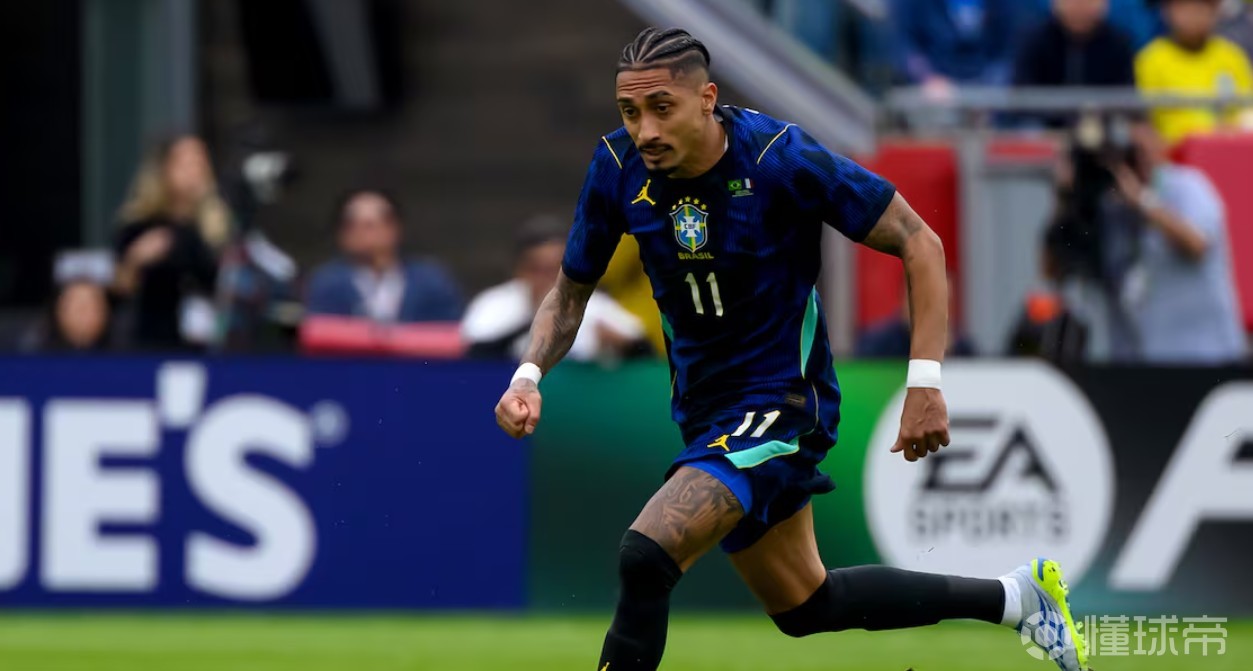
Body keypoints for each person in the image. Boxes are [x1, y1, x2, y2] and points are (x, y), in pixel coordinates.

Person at [493, 27, 1088, 671]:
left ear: (707, 99)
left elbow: (920, 241)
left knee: (647, 554)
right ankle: (1018, 599)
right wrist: (528, 375)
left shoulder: (780, 157)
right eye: (630, 112)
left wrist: (925, 381)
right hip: (704, 410)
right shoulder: (616, 166)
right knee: (806, 604)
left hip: (783, 400)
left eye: (662, 108)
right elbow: (569, 294)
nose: (645, 131)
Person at [1105, 122, 1247, 363]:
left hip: (1210, 352)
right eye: (1129, 151)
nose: (1137, 158)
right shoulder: (1115, 205)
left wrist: (1144, 202)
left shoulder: (1187, 185)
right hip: (1158, 354)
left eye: (1140, 149)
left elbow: (1197, 244)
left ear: (1159, 145)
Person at [461, 216, 649, 361]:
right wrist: (537, 319)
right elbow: (473, 357)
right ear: (519, 271)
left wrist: (625, 347)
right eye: (538, 270)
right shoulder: (493, 304)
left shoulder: (595, 305)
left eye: (557, 269)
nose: (550, 279)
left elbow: (647, 353)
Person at [113, 134, 229, 351]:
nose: (194, 171)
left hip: (207, 346)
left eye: (200, 163)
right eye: (186, 163)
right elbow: (119, 289)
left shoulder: (217, 228)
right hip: (149, 344)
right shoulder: (140, 225)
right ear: (165, 169)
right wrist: (136, 258)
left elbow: (223, 283)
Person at [305, 189, 463, 323]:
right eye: (350, 226)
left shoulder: (430, 280)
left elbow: (449, 330)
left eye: (368, 226)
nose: (359, 233)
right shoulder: (327, 282)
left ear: (393, 229)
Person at [1136, 0, 1253, 144]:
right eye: (1183, 7)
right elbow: (1143, 123)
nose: (1193, 14)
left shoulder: (1232, 56)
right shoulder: (1150, 59)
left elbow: (1246, 112)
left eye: (1201, 6)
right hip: (1173, 152)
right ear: (1166, 11)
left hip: (1228, 147)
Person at [1013, 0, 1136, 96]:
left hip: (1101, 119)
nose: (1080, 6)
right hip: (1045, 120)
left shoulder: (1119, 43)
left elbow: (1125, 98)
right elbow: (1022, 96)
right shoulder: (1034, 41)